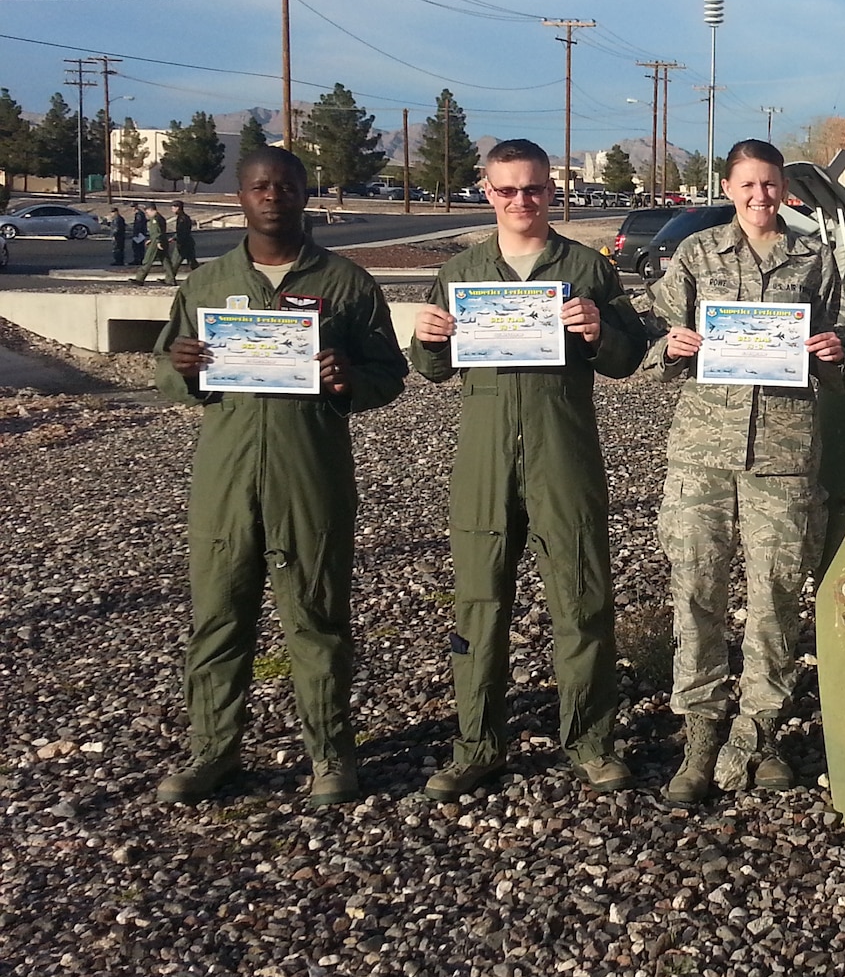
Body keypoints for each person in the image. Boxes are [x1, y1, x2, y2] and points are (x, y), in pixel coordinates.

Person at [153, 147, 407, 808]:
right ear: (241, 195)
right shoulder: (207, 286)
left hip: (310, 472)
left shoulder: (346, 284)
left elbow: (390, 377)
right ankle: (214, 748)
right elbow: (165, 372)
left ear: (303, 193)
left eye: (287, 186)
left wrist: (349, 379)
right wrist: (182, 368)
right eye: (261, 186)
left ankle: (330, 752)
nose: (274, 196)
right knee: (218, 614)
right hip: (226, 476)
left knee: (317, 615)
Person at [408, 139, 649, 801]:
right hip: (484, 460)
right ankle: (478, 745)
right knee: (479, 606)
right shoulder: (462, 271)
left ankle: (592, 743)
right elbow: (431, 368)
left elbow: (628, 357)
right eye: (507, 190)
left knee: (582, 599)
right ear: (487, 193)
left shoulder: (585, 268)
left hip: (562, 453)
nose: (521, 201)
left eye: (534, 189)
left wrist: (599, 330)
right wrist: (427, 338)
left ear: (552, 192)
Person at [650, 139, 845, 803]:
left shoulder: (813, 259)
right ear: (730, 188)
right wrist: (670, 346)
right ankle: (702, 729)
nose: (761, 197)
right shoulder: (698, 255)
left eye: (770, 185)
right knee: (697, 592)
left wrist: (833, 350)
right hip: (702, 453)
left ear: (784, 189)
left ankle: (763, 728)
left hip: (786, 455)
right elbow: (656, 331)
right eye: (748, 185)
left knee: (777, 595)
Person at [132, 203, 176, 284]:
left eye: (147, 211)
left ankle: (140, 279)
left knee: (147, 260)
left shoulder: (155, 219)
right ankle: (171, 279)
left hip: (156, 243)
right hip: (160, 241)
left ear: (151, 210)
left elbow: (157, 231)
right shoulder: (160, 217)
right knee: (166, 261)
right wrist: (151, 239)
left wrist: (157, 241)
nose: (147, 214)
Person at [173, 200, 199, 269]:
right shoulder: (183, 217)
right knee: (192, 262)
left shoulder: (182, 219)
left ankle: (169, 278)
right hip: (188, 243)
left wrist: (178, 241)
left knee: (175, 262)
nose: (172, 209)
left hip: (183, 243)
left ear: (177, 208)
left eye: (173, 207)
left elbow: (183, 232)